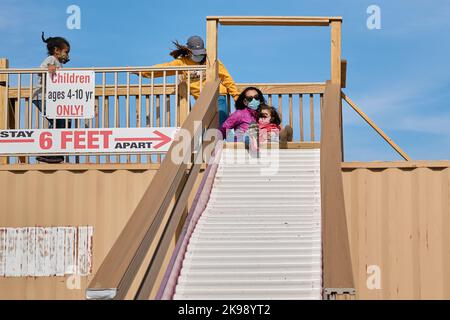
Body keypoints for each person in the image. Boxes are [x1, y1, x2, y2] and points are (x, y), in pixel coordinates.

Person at [137, 36, 240, 126]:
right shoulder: (182, 63)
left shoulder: (211, 59)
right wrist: (142, 72)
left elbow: (226, 77)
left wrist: (236, 96)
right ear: (189, 51)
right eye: (196, 54)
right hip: (201, 99)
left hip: (218, 95)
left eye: (201, 53)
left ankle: (224, 139)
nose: (199, 56)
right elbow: (163, 68)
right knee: (204, 127)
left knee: (222, 122)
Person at [33, 32, 71, 163]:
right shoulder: (52, 60)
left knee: (62, 122)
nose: (67, 55)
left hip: (51, 98)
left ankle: (56, 153)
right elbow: (41, 69)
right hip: (41, 96)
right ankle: (50, 152)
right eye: (66, 52)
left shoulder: (60, 64)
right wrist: (49, 67)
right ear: (56, 50)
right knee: (57, 120)